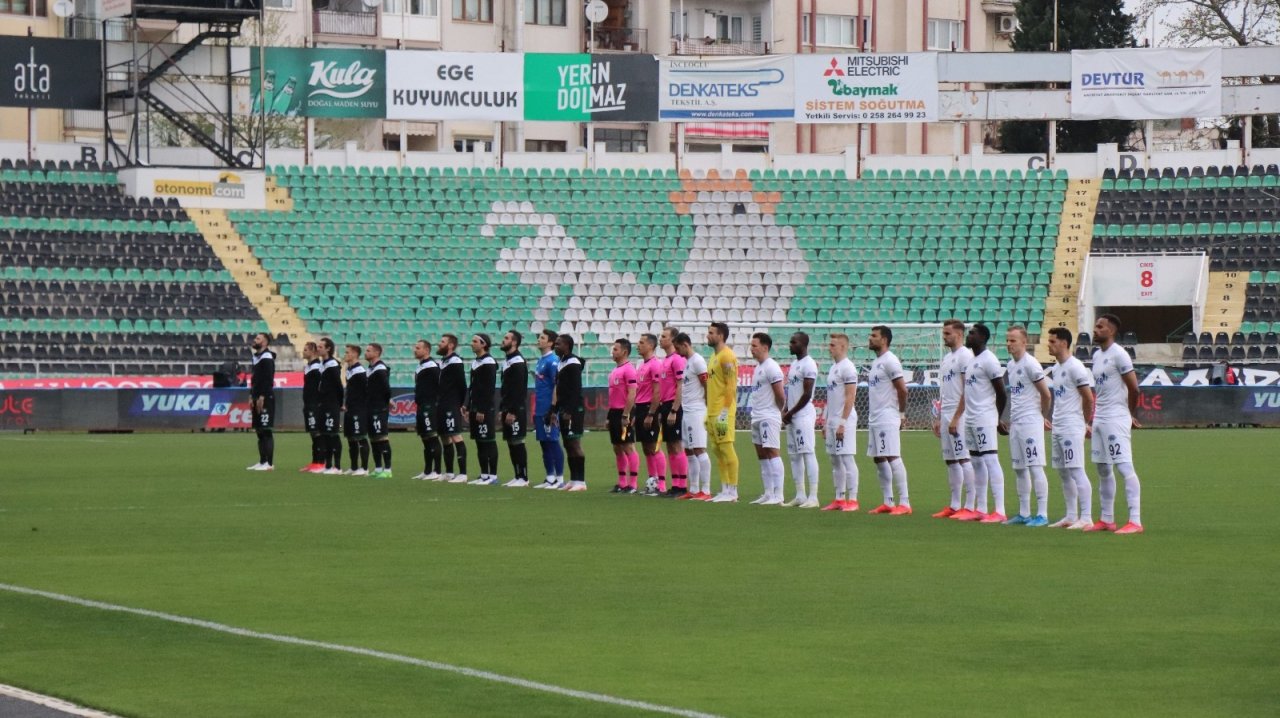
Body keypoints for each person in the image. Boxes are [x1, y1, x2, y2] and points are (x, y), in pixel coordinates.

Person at [1087, 314, 1144, 534]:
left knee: (1124, 467)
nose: (1095, 329)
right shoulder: (1097, 355)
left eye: (1100, 326)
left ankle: (1135, 521)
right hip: (1100, 418)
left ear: (1111, 331)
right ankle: (1107, 519)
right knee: (1102, 468)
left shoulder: (1120, 355)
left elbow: (1134, 388)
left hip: (1116, 418)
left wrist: (1128, 415)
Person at [1000, 326, 1052, 525]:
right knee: (1019, 468)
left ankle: (1043, 514)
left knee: (1035, 467)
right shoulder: (1011, 366)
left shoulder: (1031, 364)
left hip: (1031, 422)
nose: (1008, 344)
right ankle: (1024, 513)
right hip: (1017, 423)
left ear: (1024, 342)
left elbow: (1046, 394)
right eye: (1007, 340)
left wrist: (1041, 417)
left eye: (1013, 340)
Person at [956, 323, 1007, 523]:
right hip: (970, 418)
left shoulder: (990, 360)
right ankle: (982, 508)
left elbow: (1001, 392)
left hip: (985, 418)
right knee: (976, 461)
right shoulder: (972, 361)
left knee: (990, 460)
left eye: (973, 333)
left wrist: (996, 417)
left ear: (983, 337)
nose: (969, 335)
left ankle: (1000, 510)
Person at [1046, 328, 1096, 530]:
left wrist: (1084, 423)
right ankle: (1070, 515)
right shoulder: (1057, 368)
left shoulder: (1076, 367)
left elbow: (1088, 398)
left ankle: (1087, 517)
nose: (1048, 344)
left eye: (1052, 341)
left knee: (1076, 470)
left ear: (1064, 343)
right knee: (1063, 472)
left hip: (1071, 426)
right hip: (1058, 425)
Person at [931, 320, 975, 518]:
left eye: (947, 333)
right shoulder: (947, 358)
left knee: (964, 458)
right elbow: (944, 391)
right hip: (947, 413)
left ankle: (970, 504)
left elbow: (968, 388)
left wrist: (957, 416)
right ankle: (955, 505)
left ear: (958, 334)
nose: (944, 336)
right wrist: (940, 417)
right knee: (951, 460)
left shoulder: (966, 356)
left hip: (961, 414)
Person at [866, 326, 911, 515]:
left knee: (893, 456)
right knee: (879, 458)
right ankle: (888, 501)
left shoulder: (890, 361)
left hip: (887, 416)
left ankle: (905, 502)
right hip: (875, 417)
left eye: (874, 336)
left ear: (884, 340)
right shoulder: (877, 362)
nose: (870, 338)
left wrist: (900, 414)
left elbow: (902, 389)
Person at [821, 333, 860, 511]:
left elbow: (850, 396)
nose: (829, 348)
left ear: (843, 347)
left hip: (845, 420)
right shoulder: (833, 368)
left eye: (833, 345)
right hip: (832, 420)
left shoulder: (848, 368)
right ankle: (839, 498)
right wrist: (826, 421)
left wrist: (843, 422)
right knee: (834, 459)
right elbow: (831, 398)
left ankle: (853, 500)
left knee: (846, 458)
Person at [747, 333, 786, 506]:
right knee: (762, 455)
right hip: (757, 416)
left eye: (754, 345)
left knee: (772, 452)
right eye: (751, 345)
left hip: (769, 416)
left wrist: (777, 413)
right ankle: (768, 493)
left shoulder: (772, 367)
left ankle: (778, 494)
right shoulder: (758, 368)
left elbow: (780, 395)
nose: (751, 349)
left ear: (765, 347)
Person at [782, 332, 820, 508]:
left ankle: (813, 496)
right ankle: (800, 494)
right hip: (792, 414)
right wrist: (786, 409)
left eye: (793, 342)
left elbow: (807, 394)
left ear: (803, 344)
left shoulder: (809, 364)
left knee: (807, 452)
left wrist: (792, 412)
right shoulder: (794, 364)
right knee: (793, 455)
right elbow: (792, 390)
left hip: (803, 414)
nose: (790, 345)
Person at [673, 332, 711, 500]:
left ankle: (706, 490)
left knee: (699, 449)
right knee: (688, 450)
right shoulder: (689, 362)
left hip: (697, 411)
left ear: (685, 344)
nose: (676, 350)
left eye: (677, 347)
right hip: (687, 411)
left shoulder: (697, 361)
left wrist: (708, 406)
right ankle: (694, 489)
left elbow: (707, 384)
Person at [705, 322, 740, 503]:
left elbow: (731, 385)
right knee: (717, 449)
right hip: (712, 411)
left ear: (721, 336)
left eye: (711, 333)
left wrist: (725, 411)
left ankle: (733, 490)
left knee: (726, 448)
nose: (708, 336)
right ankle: (725, 488)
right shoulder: (713, 357)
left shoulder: (727, 356)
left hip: (722, 411)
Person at [549, 334, 587, 491]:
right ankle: (573, 479)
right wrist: (554, 410)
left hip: (573, 410)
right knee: (567, 443)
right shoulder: (561, 362)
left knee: (575, 443)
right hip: (564, 408)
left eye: (558, 344)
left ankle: (581, 481)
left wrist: (570, 411)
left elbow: (575, 390)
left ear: (567, 346)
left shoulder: (573, 363)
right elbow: (560, 389)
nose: (555, 346)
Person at [531, 329, 565, 489]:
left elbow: (557, 386)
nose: (539, 339)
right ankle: (549, 477)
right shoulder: (540, 361)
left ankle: (559, 478)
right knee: (544, 442)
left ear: (550, 342)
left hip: (548, 409)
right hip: (539, 408)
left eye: (542, 337)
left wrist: (553, 409)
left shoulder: (553, 361)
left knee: (552, 441)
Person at [635, 333, 668, 495]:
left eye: (641, 343)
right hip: (640, 408)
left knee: (654, 446)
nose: (638, 345)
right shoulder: (642, 365)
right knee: (646, 447)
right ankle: (652, 482)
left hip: (649, 408)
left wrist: (651, 413)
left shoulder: (655, 364)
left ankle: (662, 484)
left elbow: (657, 391)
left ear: (650, 346)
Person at [657, 326, 689, 498]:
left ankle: (682, 485)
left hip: (673, 406)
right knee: (670, 445)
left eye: (664, 336)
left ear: (672, 339)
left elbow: (680, 385)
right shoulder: (666, 360)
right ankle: (675, 484)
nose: (660, 339)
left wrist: (674, 409)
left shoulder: (677, 359)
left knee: (676, 445)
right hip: (665, 405)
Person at [466, 334, 500, 486]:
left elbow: (488, 389)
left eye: (475, 341)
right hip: (475, 407)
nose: (471, 344)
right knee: (479, 441)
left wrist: (482, 409)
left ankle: (492, 475)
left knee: (488, 441)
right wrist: (467, 406)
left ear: (483, 344)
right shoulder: (475, 362)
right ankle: (483, 474)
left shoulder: (489, 362)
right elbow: (473, 387)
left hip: (484, 409)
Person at [607, 338, 640, 493]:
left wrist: (626, 414)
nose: (612, 352)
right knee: (617, 447)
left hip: (623, 412)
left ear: (624, 352)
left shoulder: (629, 369)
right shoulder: (614, 370)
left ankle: (633, 484)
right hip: (614, 412)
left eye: (615, 349)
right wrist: (609, 416)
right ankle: (622, 482)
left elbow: (632, 393)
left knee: (628, 446)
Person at [499, 330, 530, 488]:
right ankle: (517, 475)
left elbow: (518, 390)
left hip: (516, 410)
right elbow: (506, 388)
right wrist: (502, 408)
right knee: (511, 442)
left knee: (518, 442)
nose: (503, 341)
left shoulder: (517, 361)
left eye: (506, 338)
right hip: (508, 407)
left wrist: (512, 411)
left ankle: (523, 477)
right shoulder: (508, 360)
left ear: (514, 342)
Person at [437, 334, 469, 483]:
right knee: (444, 437)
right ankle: (449, 472)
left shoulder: (455, 361)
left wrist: (463, 404)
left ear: (450, 345)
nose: (439, 344)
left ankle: (462, 473)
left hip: (451, 404)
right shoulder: (442, 362)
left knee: (455, 435)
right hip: (441, 404)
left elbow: (462, 384)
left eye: (442, 342)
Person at [411, 339, 443, 480]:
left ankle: (437, 470)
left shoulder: (432, 366)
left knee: (432, 437)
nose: (415, 350)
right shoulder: (420, 366)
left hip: (430, 406)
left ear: (426, 350)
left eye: (418, 348)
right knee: (425, 438)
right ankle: (427, 470)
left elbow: (439, 385)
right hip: (421, 405)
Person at [246, 332, 275, 471]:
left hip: (265, 398)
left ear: (264, 342)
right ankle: (262, 461)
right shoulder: (256, 357)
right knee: (259, 430)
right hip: (257, 397)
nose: (254, 340)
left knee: (266, 430)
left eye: (258, 339)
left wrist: (262, 396)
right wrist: (252, 395)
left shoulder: (267, 357)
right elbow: (255, 379)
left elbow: (268, 379)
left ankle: (269, 463)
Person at [342, 344, 371, 476]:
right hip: (350, 408)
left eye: (347, 352)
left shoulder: (360, 371)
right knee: (351, 438)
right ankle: (354, 467)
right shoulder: (349, 369)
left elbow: (366, 390)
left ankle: (364, 468)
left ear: (354, 354)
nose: (345, 355)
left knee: (360, 437)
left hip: (359, 409)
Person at [317, 338, 344, 474]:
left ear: (328, 349)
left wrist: (340, 403)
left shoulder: (332, 364)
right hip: (324, 403)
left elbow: (338, 385)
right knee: (325, 434)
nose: (318, 348)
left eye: (321, 346)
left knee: (332, 433)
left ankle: (337, 466)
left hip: (331, 403)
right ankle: (328, 465)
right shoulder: (323, 364)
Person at [365, 343, 392, 479]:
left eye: (368, 351)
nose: (366, 353)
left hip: (379, 407)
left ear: (376, 353)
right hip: (370, 406)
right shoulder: (370, 369)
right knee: (373, 438)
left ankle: (388, 469)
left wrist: (386, 401)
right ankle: (378, 468)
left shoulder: (380, 368)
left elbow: (386, 388)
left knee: (381, 436)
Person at [300, 341, 326, 473]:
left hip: (315, 404)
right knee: (313, 433)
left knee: (317, 433)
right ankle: (315, 461)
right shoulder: (308, 367)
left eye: (306, 349)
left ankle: (321, 462)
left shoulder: (317, 367)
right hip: (308, 403)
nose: (303, 352)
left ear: (313, 352)